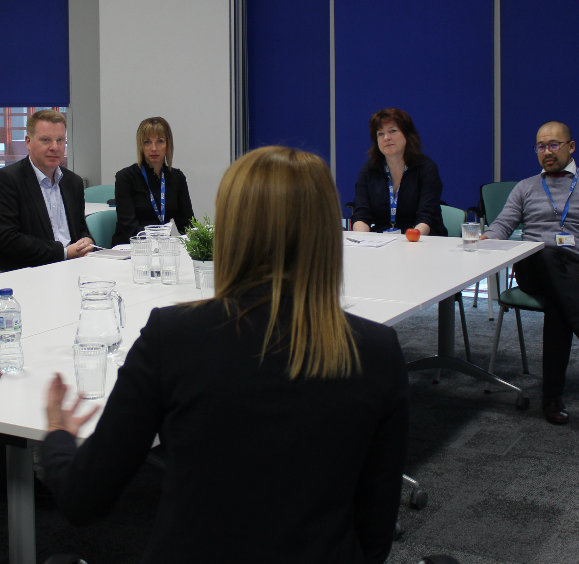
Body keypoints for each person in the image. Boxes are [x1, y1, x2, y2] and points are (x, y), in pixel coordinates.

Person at [43, 146, 410, 564]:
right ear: (327, 232)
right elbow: (376, 532)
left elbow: (83, 499)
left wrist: (57, 436)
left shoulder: (175, 338)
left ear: (231, 230)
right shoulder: (377, 352)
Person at [482, 121, 579, 426]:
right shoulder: (525, 187)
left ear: (571, 147)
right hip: (532, 267)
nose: (547, 152)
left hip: (577, 266)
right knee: (545, 251)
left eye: (554, 145)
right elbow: (503, 224)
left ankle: (553, 395)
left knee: (559, 305)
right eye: (541, 146)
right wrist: (487, 236)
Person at [0, 109, 93, 272]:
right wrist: (63, 253)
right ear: (28, 141)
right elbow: (7, 239)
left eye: (60, 140)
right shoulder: (5, 181)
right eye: (46, 140)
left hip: (70, 267)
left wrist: (87, 240)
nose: (54, 147)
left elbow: (79, 228)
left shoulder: (72, 182)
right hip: (22, 272)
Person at [351, 107, 446, 237]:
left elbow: (426, 217)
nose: (386, 138)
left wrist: (411, 240)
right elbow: (361, 215)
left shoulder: (426, 168)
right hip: (382, 242)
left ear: (407, 134)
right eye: (380, 134)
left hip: (422, 240)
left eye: (392, 131)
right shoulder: (369, 170)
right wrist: (361, 239)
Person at [111, 116, 195, 246]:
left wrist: (200, 238)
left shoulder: (177, 178)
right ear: (141, 146)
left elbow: (186, 222)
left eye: (160, 141)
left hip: (163, 247)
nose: (154, 148)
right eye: (147, 142)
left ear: (168, 145)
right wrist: (158, 240)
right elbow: (129, 227)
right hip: (131, 247)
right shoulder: (125, 178)